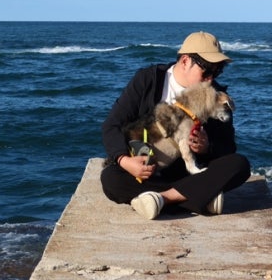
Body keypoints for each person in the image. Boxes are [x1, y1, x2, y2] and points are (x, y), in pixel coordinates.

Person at [100, 31, 251, 220]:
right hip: (150, 170)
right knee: (110, 179)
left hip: (190, 172)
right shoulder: (149, 79)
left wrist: (206, 147)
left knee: (240, 165)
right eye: (206, 71)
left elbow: (228, 147)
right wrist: (125, 161)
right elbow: (112, 125)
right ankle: (197, 198)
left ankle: (162, 200)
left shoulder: (216, 95)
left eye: (217, 72)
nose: (211, 79)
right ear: (185, 61)